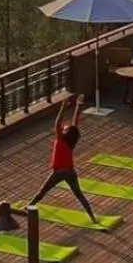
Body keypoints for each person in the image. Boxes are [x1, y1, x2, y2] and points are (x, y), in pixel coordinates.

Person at [26, 93, 97, 221]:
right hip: (70, 172)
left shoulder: (61, 138)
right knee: (79, 195)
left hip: (58, 172)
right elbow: (75, 122)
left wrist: (63, 107)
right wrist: (77, 107)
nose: (65, 126)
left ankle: (29, 206)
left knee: (42, 192)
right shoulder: (72, 141)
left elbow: (58, 122)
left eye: (66, 127)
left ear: (65, 132)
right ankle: (92, 217)